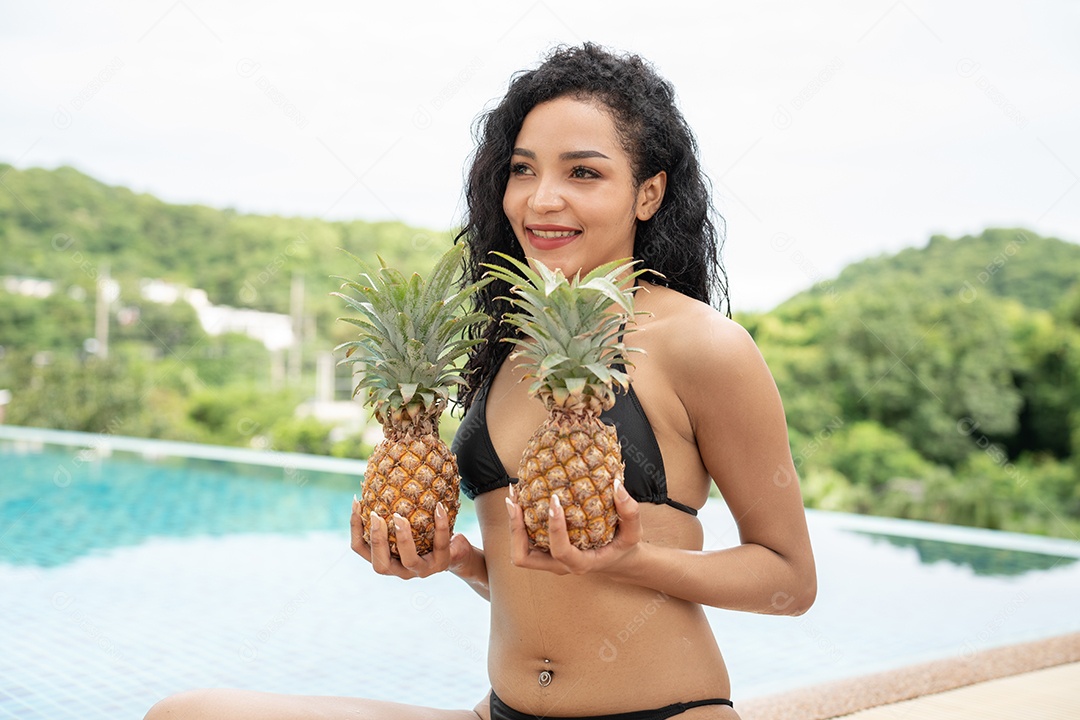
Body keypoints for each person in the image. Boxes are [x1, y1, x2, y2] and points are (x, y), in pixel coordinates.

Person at [145, 43, 815, 720]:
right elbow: (551, 581)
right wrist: (464, 561)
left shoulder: (703, 344)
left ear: (649, 193)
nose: (542, 199)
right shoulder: (514, 343)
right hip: (498, 712)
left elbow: (791, 581)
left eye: (583, 172)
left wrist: (629, 559)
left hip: (663, 712)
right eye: (523, 170)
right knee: (188, 713)